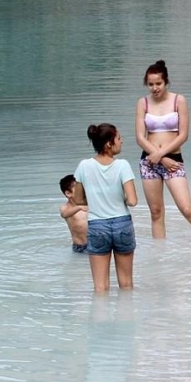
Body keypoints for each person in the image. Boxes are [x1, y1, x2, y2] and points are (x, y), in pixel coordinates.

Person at [135, 60, 191, 244]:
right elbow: (140, 137)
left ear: (166, 82)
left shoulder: (179, 100)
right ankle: (160, 255)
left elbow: (183, 135)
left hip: (173, 159)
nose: (155, 88)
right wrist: (159, 158)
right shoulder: (143, 103)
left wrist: (161, 155)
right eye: (151, 84)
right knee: (156, 212)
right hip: (149, 161)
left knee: (186, 208)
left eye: (158, 84)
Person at [73, 124, 138, 292]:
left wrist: (96, 198)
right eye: (118, 138)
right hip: (122, 224)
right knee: (126, 285)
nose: (121, 141)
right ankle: (127, 316)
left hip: (97, 225)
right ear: (109, 144)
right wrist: (118, 198)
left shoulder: (83, 166)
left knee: (100, 288)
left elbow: (78, 199)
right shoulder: (123, 165)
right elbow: (132, 200)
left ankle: (100, 317)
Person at [59, 174, 88, 253]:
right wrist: (78, 208)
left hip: (96, 244)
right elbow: (64, 214)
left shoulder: (88, 203)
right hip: (81, 246)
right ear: (68, 193)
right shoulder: (66, 208)